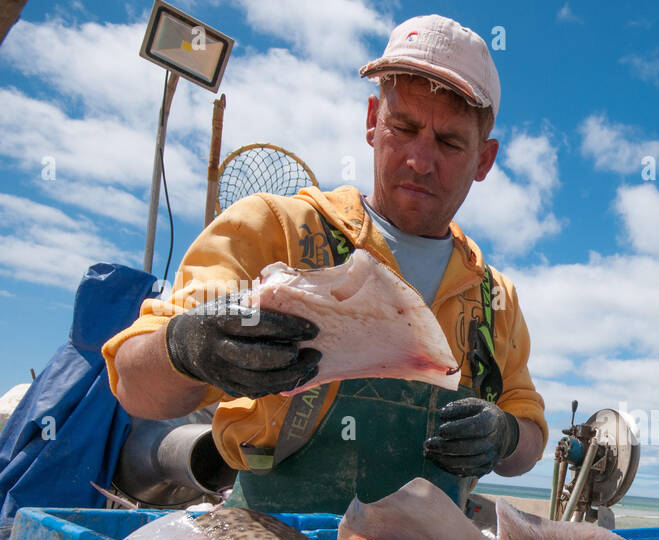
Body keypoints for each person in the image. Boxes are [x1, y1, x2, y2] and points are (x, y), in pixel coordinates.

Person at [103, 15, 546, 513]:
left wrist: (506, 436)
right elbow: (137, 388)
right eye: (404, 127)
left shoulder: (494, 300)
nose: (420, 160)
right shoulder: (274, 230)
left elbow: (527, 433)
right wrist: (188, 347)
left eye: (449, 142)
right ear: (373, 120)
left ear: (483, 160)